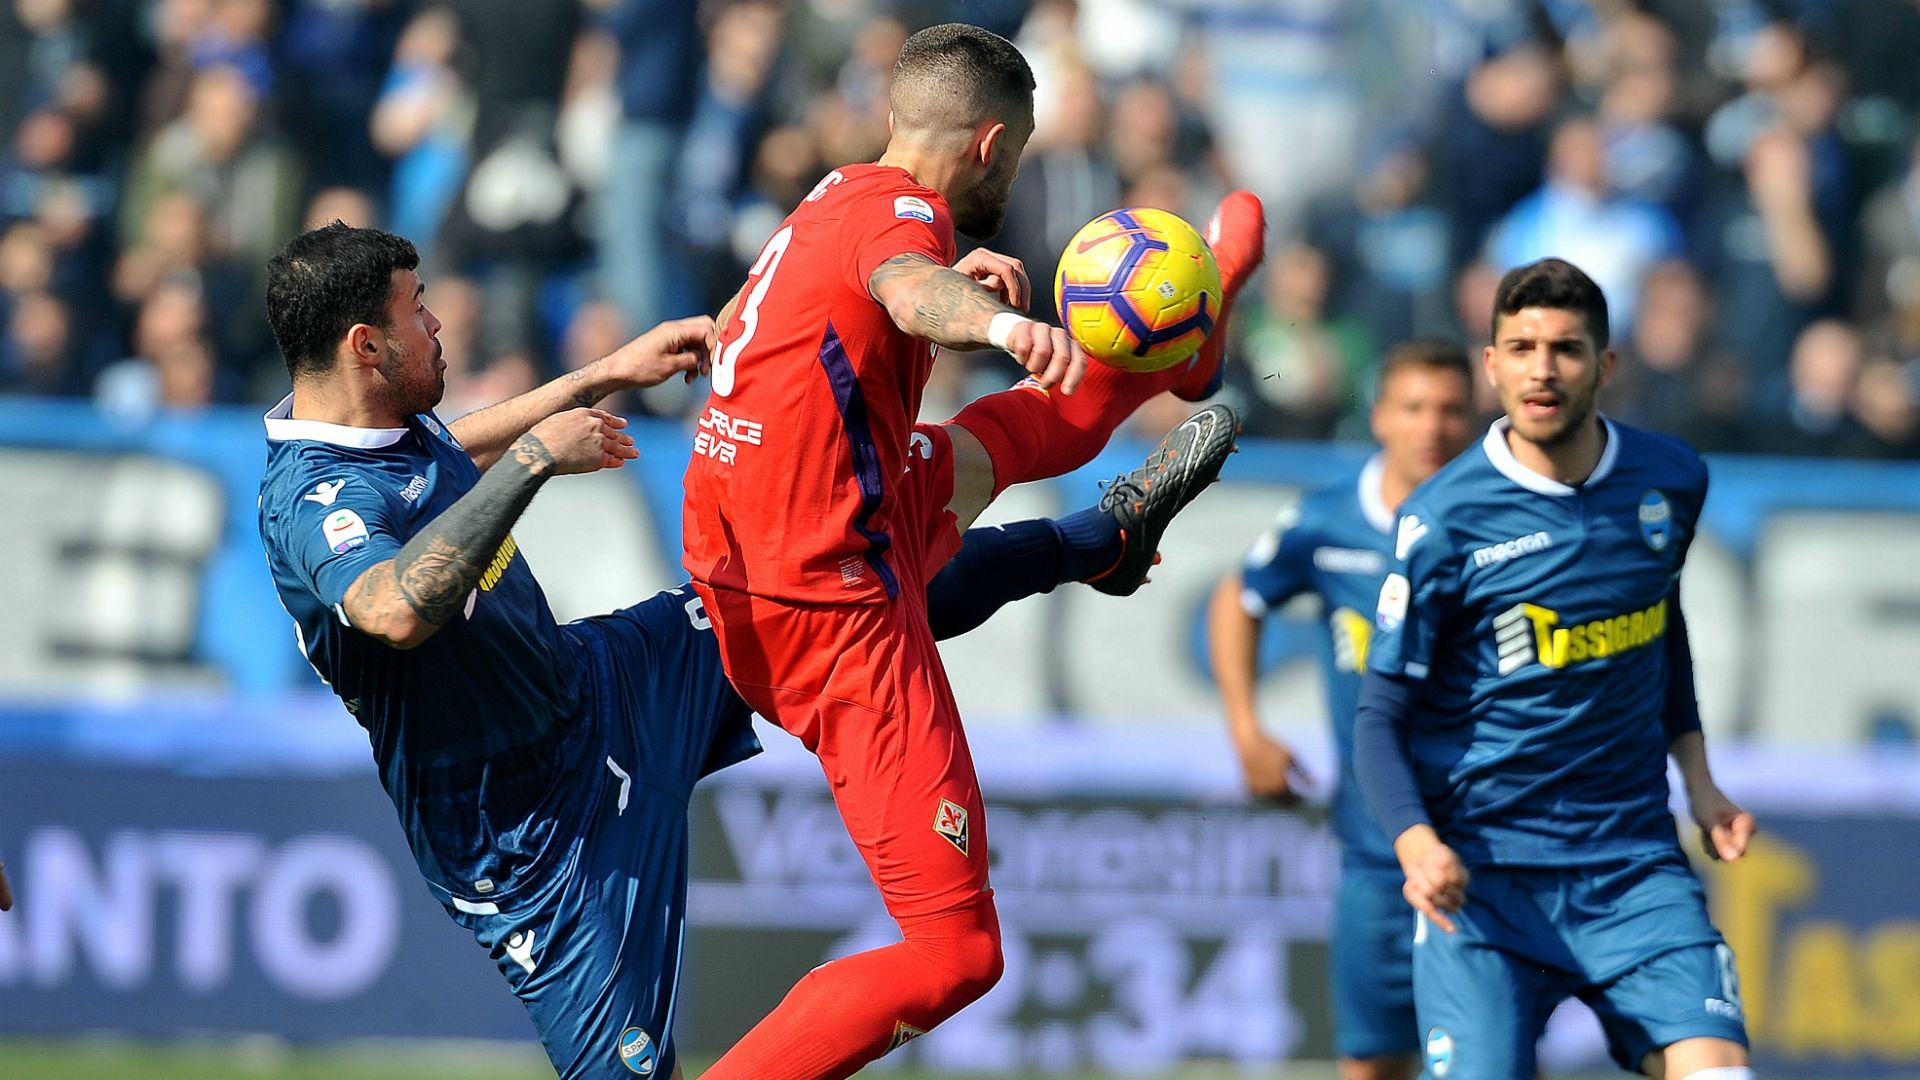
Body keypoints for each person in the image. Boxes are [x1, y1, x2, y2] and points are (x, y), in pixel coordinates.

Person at [256, 223, 1242, 1080]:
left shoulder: (373, 422)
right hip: (525, 834)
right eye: (418, 310)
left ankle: (1096, 541)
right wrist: (533, 459)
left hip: (603, 682)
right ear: (365, 346)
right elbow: (391, 608)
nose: (437, 323)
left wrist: (603, 373)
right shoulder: (309, 501)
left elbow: (435, 453)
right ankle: (1104, 523)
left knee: (822, 589)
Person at [680, 24, 1265, 1079]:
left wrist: (947, 287)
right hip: (827, 609)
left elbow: (782, 312)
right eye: (1022, 154)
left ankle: (1189, 344)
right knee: (958, 954)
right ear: (993, 144)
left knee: (1015, 438)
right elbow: (909, 288)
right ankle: (1118, 500)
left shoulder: (836, 193)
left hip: (781, 526)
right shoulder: (909, 218)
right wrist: (993, 325)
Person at [1354, 258, 1756, 1080]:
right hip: (1484, 880)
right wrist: (1416, 842)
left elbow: (1661, 628)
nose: (1542, 369)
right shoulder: (1443, 520)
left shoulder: (1671, 479)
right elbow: (1380, 714)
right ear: (1491, 365)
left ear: (1605, 365)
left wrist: (1700, 780)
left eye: (1566, 349)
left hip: (1631, 867)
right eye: (1522, 348)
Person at [1207, 339, 1475, 1080]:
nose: (1433, 427)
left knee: (1493, 1058)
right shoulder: (1329, 521)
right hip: (1374, 854)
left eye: (1452, 409)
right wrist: (1246, 730)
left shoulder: (1502, 523)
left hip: (1486, 848)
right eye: (1414, 407)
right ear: (1380, 416)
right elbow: (1238, 596)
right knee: (1371, 1063)